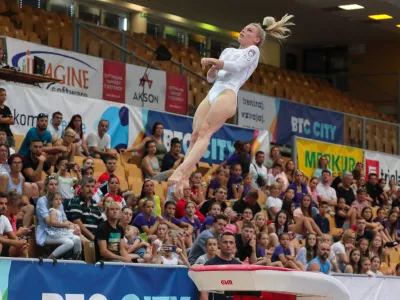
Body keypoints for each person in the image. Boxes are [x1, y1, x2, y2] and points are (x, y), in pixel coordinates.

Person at [167, 15, 295, 198]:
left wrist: (213, 61)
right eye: (244, 27)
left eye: (249, 30)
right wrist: (213, 68)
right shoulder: (227, 51)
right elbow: (211, 78)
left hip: (228, 94)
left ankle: (181, 171)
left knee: (205, 132)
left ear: (256, 39)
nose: (244, 30)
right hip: (214, 92)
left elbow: (235, 67)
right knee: (195, 135)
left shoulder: (253, 51)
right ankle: (185, 178)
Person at [201, 233, 242, 300]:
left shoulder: (238, 265)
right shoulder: (210, 264)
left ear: (234, 245)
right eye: (225, 242)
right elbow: (204, 291)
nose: (228, 245)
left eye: (231, 243)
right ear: (220, 244)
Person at [44, 192, 82, 260]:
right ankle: (49, 258)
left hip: (61, 232)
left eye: (60, 199)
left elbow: (66, 222)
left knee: (77, 239)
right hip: (54, 233)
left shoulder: (59, 211)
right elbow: (53, 222)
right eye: (56, 199)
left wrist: (74, 226)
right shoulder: (52, 211)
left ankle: (76, 256)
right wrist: (65, 225)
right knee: (69, 243)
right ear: (51, 201)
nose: (58, 201)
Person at [0, 192, 28, 257]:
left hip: (5, 246)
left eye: (6, 204)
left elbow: (13, 237)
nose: (4, 206)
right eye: (1, 203)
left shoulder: (4, 219)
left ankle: (27, 266)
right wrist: (14, 242)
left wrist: (21, 243)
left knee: (22, 247)